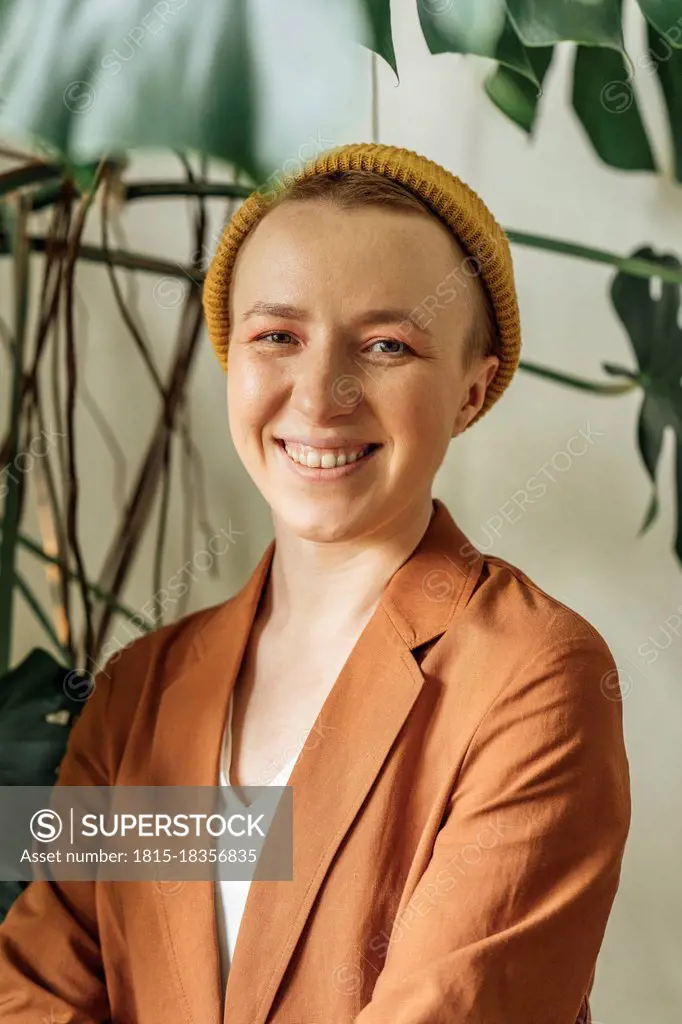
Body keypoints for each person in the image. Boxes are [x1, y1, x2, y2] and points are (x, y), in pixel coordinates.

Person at [0, 141, 631, 1023]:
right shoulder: (139, 690)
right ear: (233, 357)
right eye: (277, 336)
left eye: (386, 345)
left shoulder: (535, 678)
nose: (321, 394)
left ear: (470, 390)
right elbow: (32, 989)